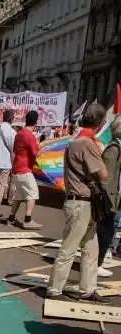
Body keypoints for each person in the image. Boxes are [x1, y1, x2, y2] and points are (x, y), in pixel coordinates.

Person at [47, 104, 110, 305]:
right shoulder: (86, 143)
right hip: (81, 203)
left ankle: (88, 289)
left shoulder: (76, 140)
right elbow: (103, 175)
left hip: (82, 203)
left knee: (91, 249)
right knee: (70, 247)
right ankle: (54, 289)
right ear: (100, 123)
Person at [7, 110, 42, 230]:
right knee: (33, 193)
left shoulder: (20, 133)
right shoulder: (29, 136)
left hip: (17, 169)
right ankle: (28, 220)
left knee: (19, 196)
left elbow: (16, 150)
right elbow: (35, 153)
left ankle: (11, 218)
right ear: (36, 122)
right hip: (24, 169)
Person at [96, 114, 121, 274]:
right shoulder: (113, 149)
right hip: (108, 199)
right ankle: (96, 264)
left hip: (113, 197)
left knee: (108, 232)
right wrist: (109, 200)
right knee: (105, 232)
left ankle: (97, 262)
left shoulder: (117, 146)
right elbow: (107, 177)